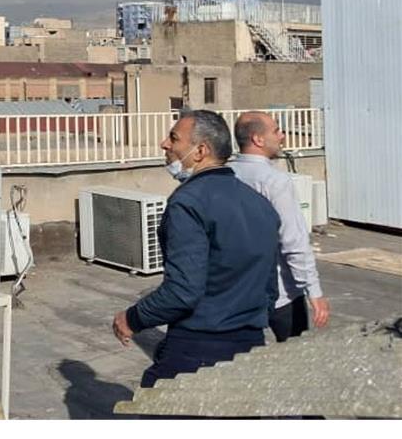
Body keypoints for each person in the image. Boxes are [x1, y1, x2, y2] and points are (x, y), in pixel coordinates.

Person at [112, 109, 280, 388]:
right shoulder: (260, 204)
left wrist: (131, 318)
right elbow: (269, 289)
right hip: (250, 348)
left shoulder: (188, 203)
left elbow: (182, 291)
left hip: (198, 350)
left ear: (200, 150)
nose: (165, 144)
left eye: (174, 138)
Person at [230, 111, 330, 341]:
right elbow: (293, 241)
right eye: (276, 130)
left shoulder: (227, 175)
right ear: (258, 139)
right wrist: (313, 290)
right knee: (296, 360)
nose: (283, 136)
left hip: (238, 291)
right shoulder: (275, 181)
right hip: (280, 292)